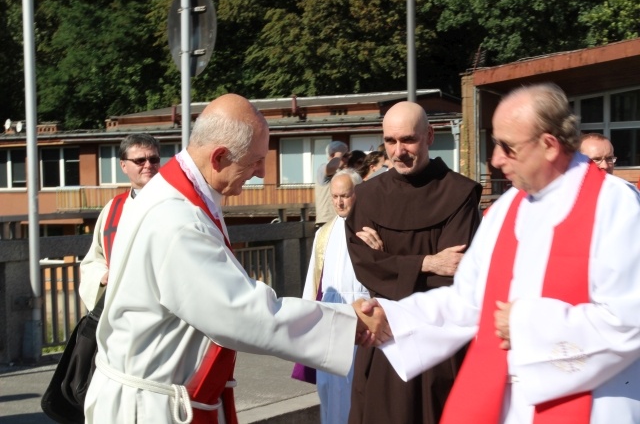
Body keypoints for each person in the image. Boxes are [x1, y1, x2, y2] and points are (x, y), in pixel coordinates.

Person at [84, 94, 388, 424]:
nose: (260, 172)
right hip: (150, 408)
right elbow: (240, 311)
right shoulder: (176, 218)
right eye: (255, 160)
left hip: (168, 396)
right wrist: (346, 322)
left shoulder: (181, 196)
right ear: (218, 157)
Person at [365, 83, 640, 423]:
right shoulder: (507, 208)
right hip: (509, 403)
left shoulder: (615, 204)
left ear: (549, 145)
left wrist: (525, 325)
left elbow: (629, 321)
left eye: (508, 147)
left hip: (592, 402)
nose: (495, 159)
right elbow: (468, 302)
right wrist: (392, 320)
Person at [345, 101, 483, 424]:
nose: (398, 151)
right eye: (390, 141)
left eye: (408, 140)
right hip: (384, 340)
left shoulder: (459, 194)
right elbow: (366, 266)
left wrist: (389, 260)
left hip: (436, 338)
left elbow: (452, 273)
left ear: (430, 136)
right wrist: (425, 262)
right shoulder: (367, 196)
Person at [300, 169, 382, 424]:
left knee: (361, 393)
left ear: (357, 194)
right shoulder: (323, 234)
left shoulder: (373, 230)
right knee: (331, 393)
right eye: (335, 196)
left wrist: (379, 253)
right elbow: (314, 282)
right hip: (331, 323)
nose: (339, 202)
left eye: (345, 195)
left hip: (364, 321)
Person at [79, 133, 160, 310]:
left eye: (153, 159)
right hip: (122, 310)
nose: (148, 165)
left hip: (163, 309)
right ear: (123, 166)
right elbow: (94, 259)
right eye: (140, 161)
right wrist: (102, 277)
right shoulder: (113, 209)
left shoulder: (177, 204)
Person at [315, 141, 348, 228]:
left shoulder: (342, 172)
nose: (347, 159)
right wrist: (339, 154)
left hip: (339, 220)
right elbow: (331, 167)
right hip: (327, 221)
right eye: (344, 156)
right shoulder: (322, 168)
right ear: (333, 155)